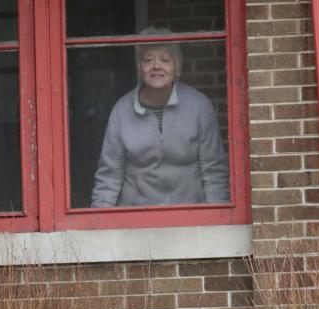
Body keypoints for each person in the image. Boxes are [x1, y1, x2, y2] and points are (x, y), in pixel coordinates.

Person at [91, 28, 229, 208]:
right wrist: (99, 222)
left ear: (177, 68)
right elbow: (109, 176)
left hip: (192, 216)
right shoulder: (121, 111)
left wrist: (215, 221)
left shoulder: (199, 106)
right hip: (136, 218)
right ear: (139, 67)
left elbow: (213, 172)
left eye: (165, 60)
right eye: (148, 59)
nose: (157, 66)